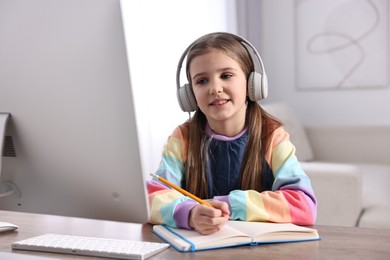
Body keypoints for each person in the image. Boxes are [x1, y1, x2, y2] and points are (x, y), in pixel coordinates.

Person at [147, 32, 317, 235]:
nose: (215, 88)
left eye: (226, 76)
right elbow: (151, 200)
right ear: (189, 95)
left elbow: (303, 205)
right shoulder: (182, 138)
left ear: (252, 84)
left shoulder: (272, 136)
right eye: (202, 81)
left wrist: (229, 204)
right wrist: (190, 213)